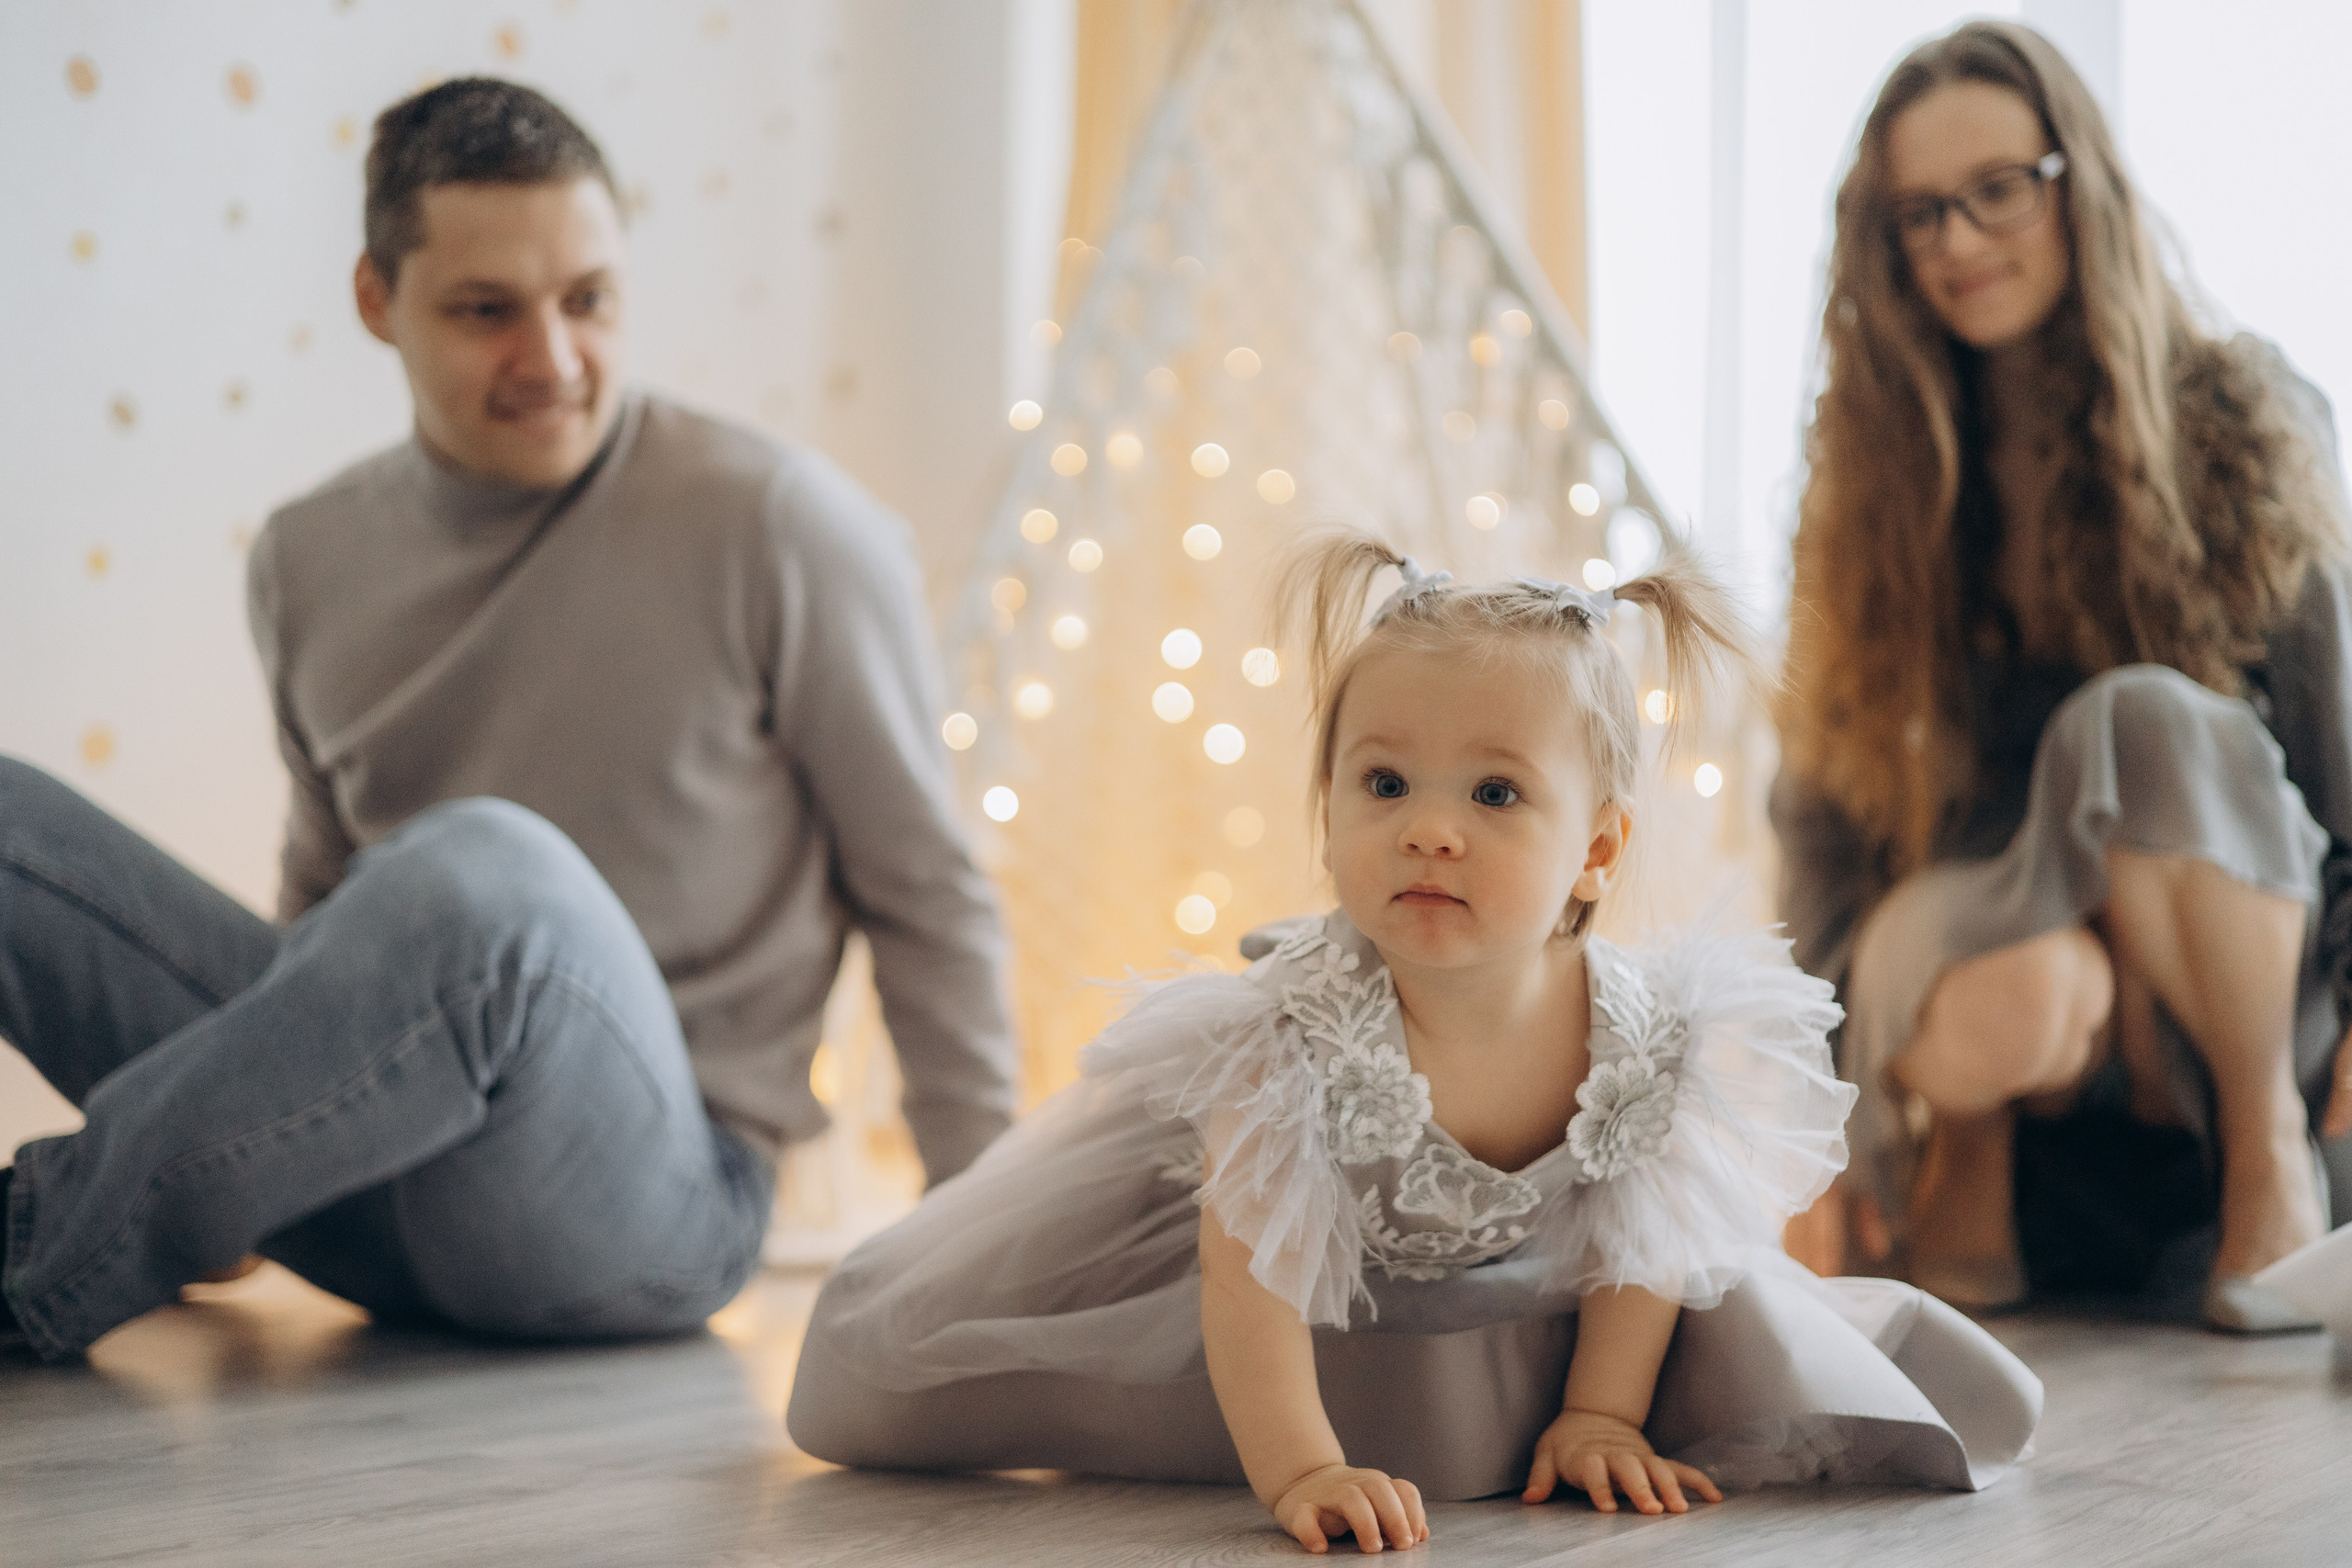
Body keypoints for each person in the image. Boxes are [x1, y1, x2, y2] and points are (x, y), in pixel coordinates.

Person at [0, 78, 1015, 1361]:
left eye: (587, 299)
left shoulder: (781, 526)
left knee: (487, 872)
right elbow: (325, 919)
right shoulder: (308, 559)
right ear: (378, 303)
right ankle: (140, 1216)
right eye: (487, 312)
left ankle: (32, 1256)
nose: (552, 359)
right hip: (368, 1197)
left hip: (647, 1208)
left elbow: (930, 897)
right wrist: (226, 1152)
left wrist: (992, 1246)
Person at [786, 531, 2041, 1553]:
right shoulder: (1291, 1038)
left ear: (1595, 850)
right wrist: (1303, 1473)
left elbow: (1642, 1246)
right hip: (1262, 1293)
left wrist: (1601, 1414)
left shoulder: (1642, 1032)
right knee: (894, 1369)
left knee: (1747, 1347)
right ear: (1325, 815)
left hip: (1526, 1283)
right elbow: (1252, 1288)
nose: (1430, 831)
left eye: (1494, 795)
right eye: (1384, 785)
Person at [1771, 21, 2352, 1329]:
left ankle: (2270, 1150)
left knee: (2136, 720)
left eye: (1997, 192)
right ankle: (1964, 1149)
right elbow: (1824, 830)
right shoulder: (1868, 477)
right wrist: (1813, 1119)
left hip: (2225, 959)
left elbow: (2338, 764)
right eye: (1919, 215)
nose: (1961, 243)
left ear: (2075, 180)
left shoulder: (2247, 418)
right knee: (1986, 952)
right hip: (2026, 979)